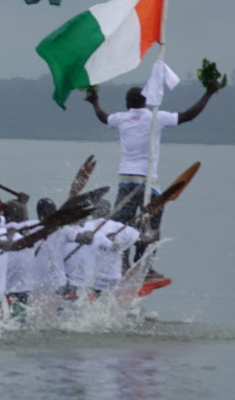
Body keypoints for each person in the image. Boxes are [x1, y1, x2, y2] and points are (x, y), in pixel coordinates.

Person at [85, 79, 219, 275]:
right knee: (151, 226)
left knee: (122, 224)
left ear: (126, 103)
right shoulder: (156, 117)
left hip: (125, 178)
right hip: (146, 180)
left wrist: (94, 101)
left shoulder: (122, 118)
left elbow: (103, 117)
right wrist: (208, 93)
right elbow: (188, 116)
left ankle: (123, 264)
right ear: (146, 101)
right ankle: (143, 267)